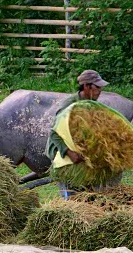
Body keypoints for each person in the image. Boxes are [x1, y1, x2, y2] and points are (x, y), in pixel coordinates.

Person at [45, 69, 109, 199]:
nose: (100, 90)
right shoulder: (69, 105)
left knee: (88, 193)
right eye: (97, 87)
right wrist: (69, 153)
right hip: (63, 151)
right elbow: (54, 133)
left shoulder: (93, 105)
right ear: (86, 86)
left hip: (81, 151)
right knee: (72, 196)